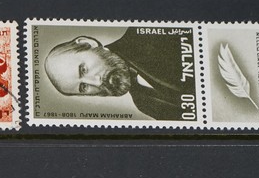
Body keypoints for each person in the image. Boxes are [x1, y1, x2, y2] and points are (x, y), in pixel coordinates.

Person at [42, 28, 195, 121]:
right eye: (83, 87)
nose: (96, 82)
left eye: (83, 70)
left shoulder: (147, 32)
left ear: (87, 44)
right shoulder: (143, 104)